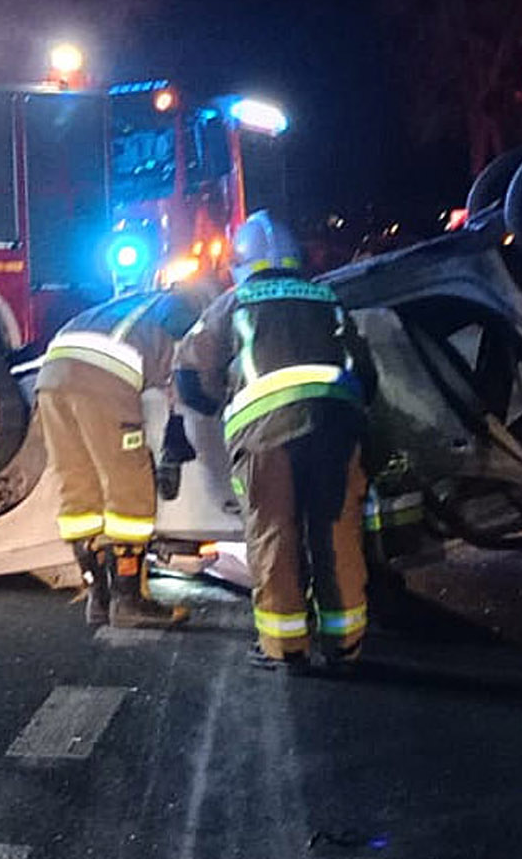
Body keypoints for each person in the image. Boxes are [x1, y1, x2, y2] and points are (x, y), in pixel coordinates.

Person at [170, 211, 378, 671]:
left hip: (265, 434)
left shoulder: (233, 302)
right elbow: (364, 371)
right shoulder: (327, 297)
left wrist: (214, 405)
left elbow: (189, 374)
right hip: (337, 425)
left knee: (274, 534)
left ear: (243, 263)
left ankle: (286, 648)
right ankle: (345, 646)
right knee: (338, 533)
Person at [37, 270, 212, 628]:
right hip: (103, 379)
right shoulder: (190, 311)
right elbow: (188, 374)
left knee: (78, 487)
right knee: (129, 487)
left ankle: (99, 597)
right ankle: (129, 601)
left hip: (52, 375)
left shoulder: (139, 302)